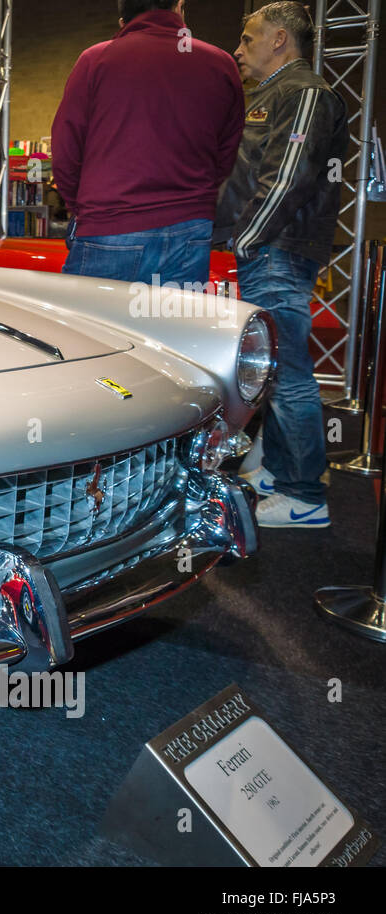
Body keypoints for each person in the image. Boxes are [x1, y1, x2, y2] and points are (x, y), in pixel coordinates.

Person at [215, 2, 348, 529]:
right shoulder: (276, 93)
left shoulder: (305, 92)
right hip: (268, 249)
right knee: (271, 370)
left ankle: (303, 494)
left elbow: (288, 175)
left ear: (279, 40)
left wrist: (245, 239)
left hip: (278, 249)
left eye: (248, 39)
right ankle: (278, 471)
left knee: (289, 373)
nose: (239, 50)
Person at [51, 0, 244, 285]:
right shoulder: (221, 63)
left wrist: (83, 209)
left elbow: (66, 149)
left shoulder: (96, 60)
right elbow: (227, 150)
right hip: (190, 227)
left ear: (122, 22)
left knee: (95, 328)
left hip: (110, 223)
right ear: (179, 8)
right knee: (174, 328)